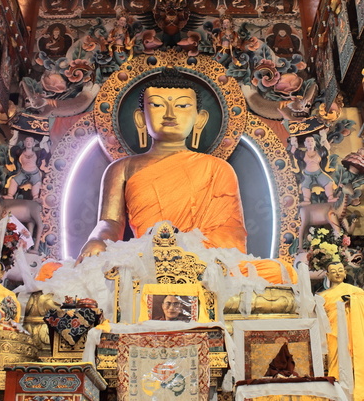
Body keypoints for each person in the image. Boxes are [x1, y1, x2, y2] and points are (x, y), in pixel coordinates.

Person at [75, 67, 297, 285]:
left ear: (199, 119)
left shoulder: (217, 168)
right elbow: (110, 221)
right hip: (144, 260)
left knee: (277, 272)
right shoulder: (122, 168)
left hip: (202, 263)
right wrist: (97, 240)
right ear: (140, 119)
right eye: (158, 105)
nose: (170, 114)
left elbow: (229, 231)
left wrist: (185, 249)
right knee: (51, 274)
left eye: (182, 105)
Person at [319, 261, 364, 401]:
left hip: (355, 334)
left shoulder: (356, 292)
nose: (337, 273)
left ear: (345, 273)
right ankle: (338, 400)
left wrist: (352, 301)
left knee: (355, 366)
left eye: (340, 271)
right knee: (335, 366)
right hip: (334, 335)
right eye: (333, 271)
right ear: (328, 275)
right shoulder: (322, 296)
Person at [290, 130, 338, 205]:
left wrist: (323, 136)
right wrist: (293, 141)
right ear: (305, 144)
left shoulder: (319, 152)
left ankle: (330, 197)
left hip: (319, 173)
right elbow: (294, 151)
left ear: (315, 143)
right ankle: (306, 200)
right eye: (308, 141)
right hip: (307, 175)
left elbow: (327, 147)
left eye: (312, 141)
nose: (310, 143)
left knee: (328, 183)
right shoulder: (302, 154)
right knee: (304, 186)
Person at [4, 136, 42, 200]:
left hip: (34, 173)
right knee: (13, 181)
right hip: (23, 173)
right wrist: (15, 136)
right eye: (27, 141)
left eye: (31, 141)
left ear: (34, 144)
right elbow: (11, 148)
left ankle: (35, 197)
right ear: (24, 143)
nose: (29, 143)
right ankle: (10, 195)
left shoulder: (38, 152)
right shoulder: (20, 152)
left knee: (37, 183)